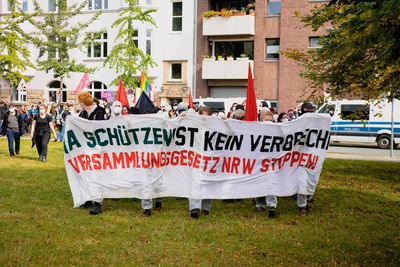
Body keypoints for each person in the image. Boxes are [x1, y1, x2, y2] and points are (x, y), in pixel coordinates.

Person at [77, 92, 106, 215]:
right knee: (86, 173)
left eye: (79, 101)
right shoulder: (83, 114)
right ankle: (88, 199)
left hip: (98, 149)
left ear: (83, 102)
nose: (79, 104)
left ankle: (97, 204)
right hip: (86, 148)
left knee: (97, 175)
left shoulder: (99, 112)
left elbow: (100, 128)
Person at [189, 106, 214, 218]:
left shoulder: (215, 128)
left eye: (207, 116)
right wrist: (182, 117)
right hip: (196, 158)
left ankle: (205, 208)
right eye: (202, 116)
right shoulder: (193, 126)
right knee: (195, 183)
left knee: (208, 183)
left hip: (210, 159)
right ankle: (194, 208)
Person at [255, 110, 277, 217]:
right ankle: (260, 204)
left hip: (271, 162)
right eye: (266, 120)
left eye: (270, 120)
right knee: (259, 183)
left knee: (271, 183)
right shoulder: (256, 131)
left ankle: (272, 205)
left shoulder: (277, 132)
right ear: (261, 120)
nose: (268, 122)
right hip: (258, 162)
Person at [297, 102, 315, 216]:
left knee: (311, 180)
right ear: (302, 109)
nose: (308, 110)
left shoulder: (317, 122)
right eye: (306, 109)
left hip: (312, 155)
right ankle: (302, 206)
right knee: (301, 181)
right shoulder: (296, 121)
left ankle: (309, 199)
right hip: (299, 156)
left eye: (310, 109)